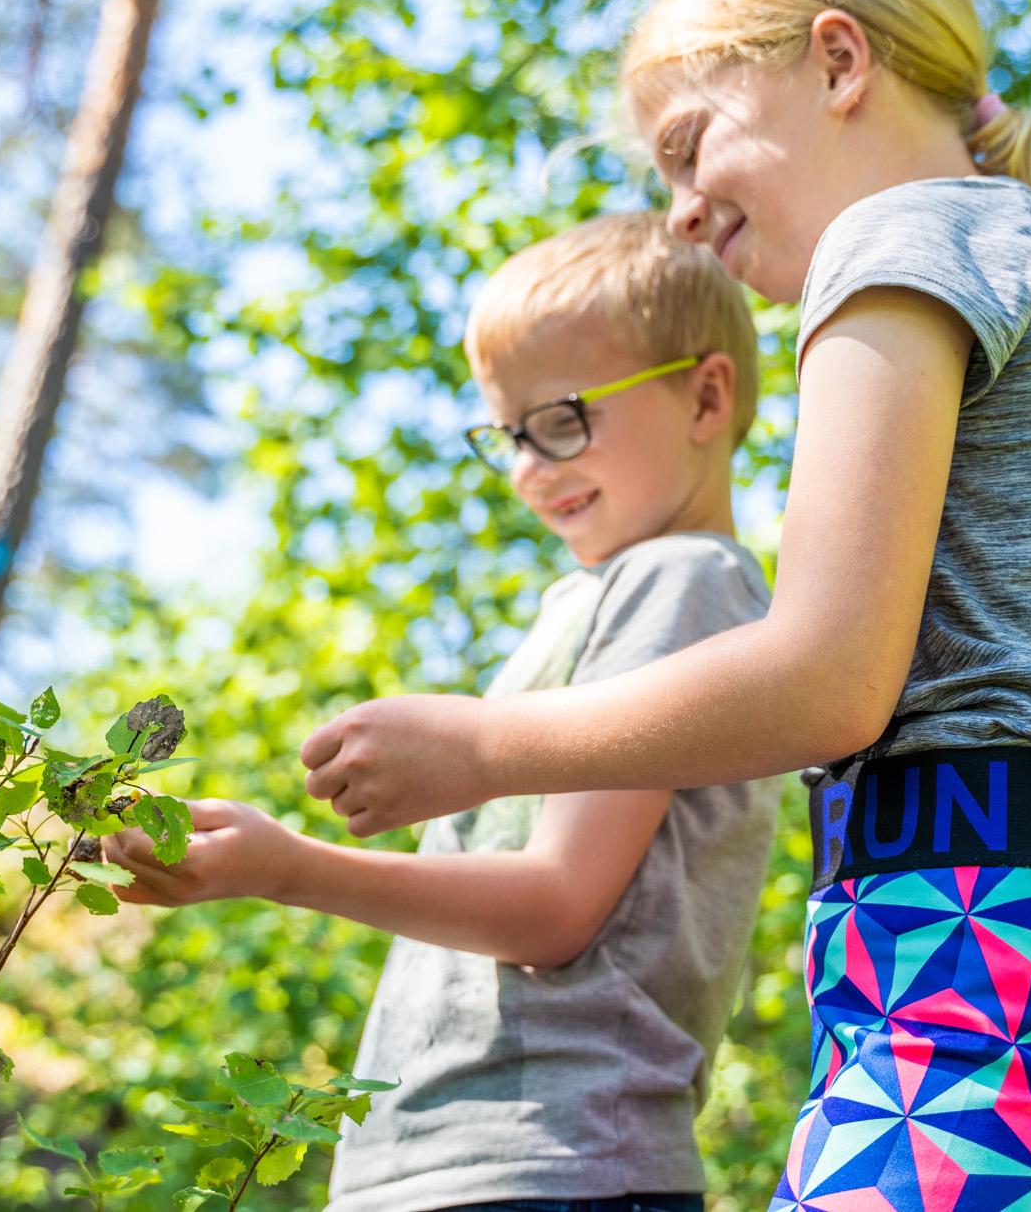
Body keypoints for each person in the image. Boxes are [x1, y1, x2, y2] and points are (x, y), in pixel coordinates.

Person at [298, 0, 1031, 1211]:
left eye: (689, 149)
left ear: (839, 62)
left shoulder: (907, 236)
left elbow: (826, 677)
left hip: (995, 982)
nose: (680, 214)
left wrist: (485, 746)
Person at [105, 211, 782, 1212]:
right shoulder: (593, 598)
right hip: (452, 1164)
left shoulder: (683, 580)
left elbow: (557, 905)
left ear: (706, 396)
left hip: (555, 1163)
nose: (528, 468)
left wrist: (286, 868)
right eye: (507, 436)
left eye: (561, 420)